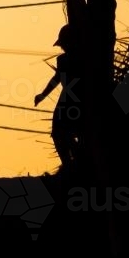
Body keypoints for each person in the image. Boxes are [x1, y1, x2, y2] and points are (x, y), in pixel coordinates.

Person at [34, 24, 83, 168]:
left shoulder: (83, 58)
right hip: (68, 98)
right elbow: (58, 78)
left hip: (78, 98)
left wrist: (43, 95)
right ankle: (70, 165)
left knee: (68, 132)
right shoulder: (64, 60)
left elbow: (58, 78)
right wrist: (43, 95)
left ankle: (75, 163)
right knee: (59, 133)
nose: (62, 48)